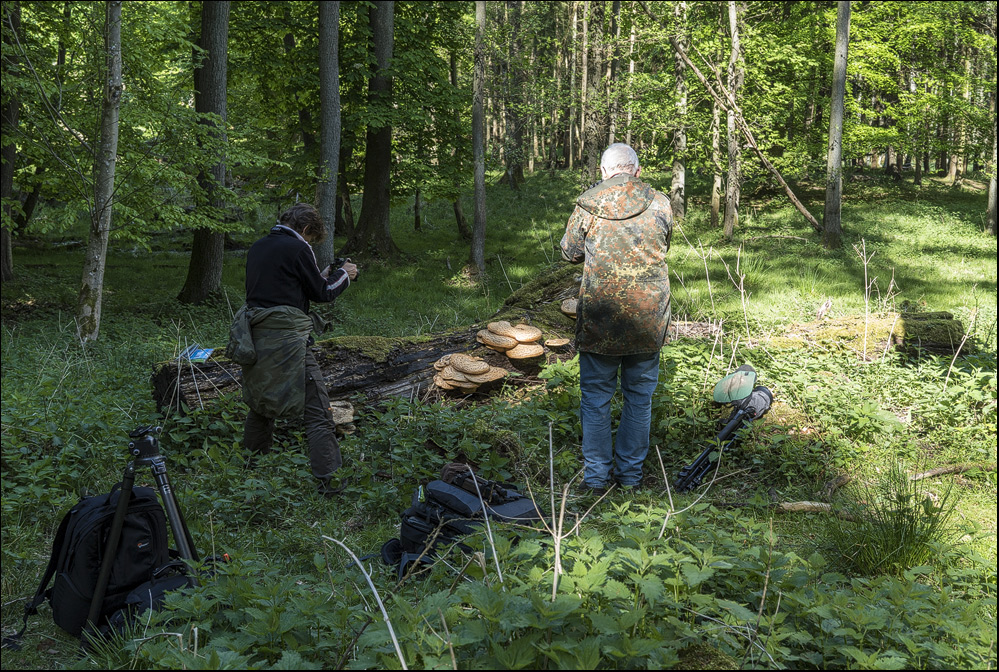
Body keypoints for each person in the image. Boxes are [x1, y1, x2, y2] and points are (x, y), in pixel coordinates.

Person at [559, 143, 673, 494]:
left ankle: (596, 478)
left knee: (595, 398)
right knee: (639, 397)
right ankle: (630, 477)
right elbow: (665, 243)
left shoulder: (588, 203)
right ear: (636, 170)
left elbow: (570, 253)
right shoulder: (661, 202)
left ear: (605, 172)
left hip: (601, 318)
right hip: (647, 316)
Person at [234, 203, 358, 498]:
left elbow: (282, 287)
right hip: (288, 339)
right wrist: (344, 275)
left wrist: (322, 273)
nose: (310, 244)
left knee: (262, 404)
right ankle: (331, 484)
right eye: (312, 239)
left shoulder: (259, 246)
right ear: (305, 230)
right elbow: (323, 293)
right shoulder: (298, 249)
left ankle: (249, 473)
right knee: (318, 411)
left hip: (256, 334)